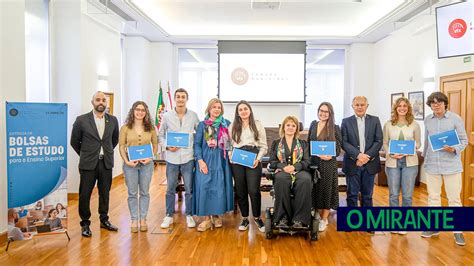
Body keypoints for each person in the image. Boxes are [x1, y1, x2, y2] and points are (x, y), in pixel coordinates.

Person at [70, 91, 120, 237]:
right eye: (98, 100)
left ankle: (104, 220)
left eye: (103, 100)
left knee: (105, 193)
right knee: (85, 194)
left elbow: (114, 139)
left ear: (106, 103)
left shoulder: (113, 120)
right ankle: (85, 223)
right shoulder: (81, 120)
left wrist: (105, 152)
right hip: (88, 164)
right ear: (92, 102)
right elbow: (74, 142)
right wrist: (86, 154)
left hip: (106, 163)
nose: (101, 103)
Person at [421, 92, 468, 246]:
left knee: (454, 199)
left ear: (445, 104)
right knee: (433, 198)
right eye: (433, 103)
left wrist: (454, 148)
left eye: (439, 102)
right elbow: (427, 142)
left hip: (451, 165)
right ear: (430, 105)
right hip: (432, 164)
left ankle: (458, 231)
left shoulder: (455, 119)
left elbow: (464, 140)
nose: (436, 105)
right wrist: (424, 160)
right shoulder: (428, 120)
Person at [159, 88, 200, 229]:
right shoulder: (167, 116)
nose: (180, 99)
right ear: (175, 99)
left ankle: (189, 215)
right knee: (170, 188)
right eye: (178, 97)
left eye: (183, 97)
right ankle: (168, 215)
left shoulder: (194, 116)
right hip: (172, 158)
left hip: (188, 158)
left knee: (189, 188)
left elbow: (199, 134)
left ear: (187, 99)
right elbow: (161, 135)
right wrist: (167, 146)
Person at [193, 98, 234, 232]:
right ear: (209, 109)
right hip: (206, 160)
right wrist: (200, 160)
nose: (217, 109)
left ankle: (216, 215)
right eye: (214, 107)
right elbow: (197, 144)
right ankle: (206, 219)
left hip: (221, 161)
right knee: (205, 186)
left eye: (219, 107)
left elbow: (231, 144)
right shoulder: (202, 125)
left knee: (218, 188)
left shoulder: (226, 124)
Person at [383, 97, 421, 235]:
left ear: (408, 108)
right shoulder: (388, 124)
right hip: (392, 162)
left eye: (405, 106)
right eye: (399, 106)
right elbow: (385, 143)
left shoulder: (414, 124)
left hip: (410, 162)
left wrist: (408, 150)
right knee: (393, 194)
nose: (402, 108)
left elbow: (418, 143)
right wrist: (391, 154)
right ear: (395, 108)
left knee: (407, 195)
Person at [229, 100, 267, 232]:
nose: (243, 111)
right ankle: (245, 218)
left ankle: (257, 217)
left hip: (253, 158)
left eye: (245, 109)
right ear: (237, 113)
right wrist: (231, 155)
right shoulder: (233, 125)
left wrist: (258, 158)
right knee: (240, 190)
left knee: (254, 190)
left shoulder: (257, 124)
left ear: (249, 110)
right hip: (237, 158)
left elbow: (263, 146)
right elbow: (230, 144)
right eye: (240, 110)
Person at [119, 101, 158, 233]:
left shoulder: (151, 128)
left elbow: (155, 145)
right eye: (137, 109)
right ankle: (134, 219)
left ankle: (143, 219)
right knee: (132, 193)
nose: (140, 112)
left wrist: (150, 157)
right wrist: (126, 161)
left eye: (143, 110)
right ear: (133, 111)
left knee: (145, 192)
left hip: (146, 165)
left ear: (146, 112)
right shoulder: (125, 128)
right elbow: (122, 146)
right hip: (130, 165)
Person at [269, 116, 312, 228]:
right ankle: (283, 218)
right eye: (288, 125)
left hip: (299, 170)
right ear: (283, 127)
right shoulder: (276, 143)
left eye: (293, 125)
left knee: (305, 179)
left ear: (297, 128)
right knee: (281, 179)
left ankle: (300, 219)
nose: (290, 127)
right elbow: (272, 161)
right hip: (282, 170)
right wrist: (283, 167)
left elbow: (307, 161)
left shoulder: (303, 143)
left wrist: (295, 167)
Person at [341, 96, 383, 208]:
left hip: (370, 163)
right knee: (352, 195)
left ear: (367, 106)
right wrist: (358, 156)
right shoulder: (346, 122)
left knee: (367, 195)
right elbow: (344, 142)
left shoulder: (375, 120)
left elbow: (379, 141)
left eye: (362, 104)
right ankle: (352, 221)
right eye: (357, 105)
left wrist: (366, 157)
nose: (359, 107)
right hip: (352, 163)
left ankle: (367, 221)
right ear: (353, 106)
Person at [307, 102, 342, 232]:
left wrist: (330, 155)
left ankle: (324, 219)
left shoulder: (335, 128)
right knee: (314, 188)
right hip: (314, 162)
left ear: (330, 113)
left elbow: (338, 148)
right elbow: (308, 144)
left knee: (326, 189)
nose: (323, 113)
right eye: (321, 110)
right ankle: (316, 212)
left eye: (326, 112)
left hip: (328, 164)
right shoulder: (313, 125)